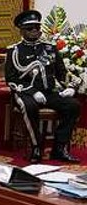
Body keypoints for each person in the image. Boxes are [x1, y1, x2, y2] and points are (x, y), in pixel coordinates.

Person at [5, 10, 81, 164]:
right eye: (30, 28)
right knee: (29, 107)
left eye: (37, 28)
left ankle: (59, 149)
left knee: (73, 106)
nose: (35, 31)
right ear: (21, 30)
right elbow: (11, 80)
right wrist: (32, 92)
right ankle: (36, 147)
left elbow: (61, 73)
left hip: (49, 91)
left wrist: (71, 87)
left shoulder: (49, 48)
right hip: (25, 92)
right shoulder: (14, 51)